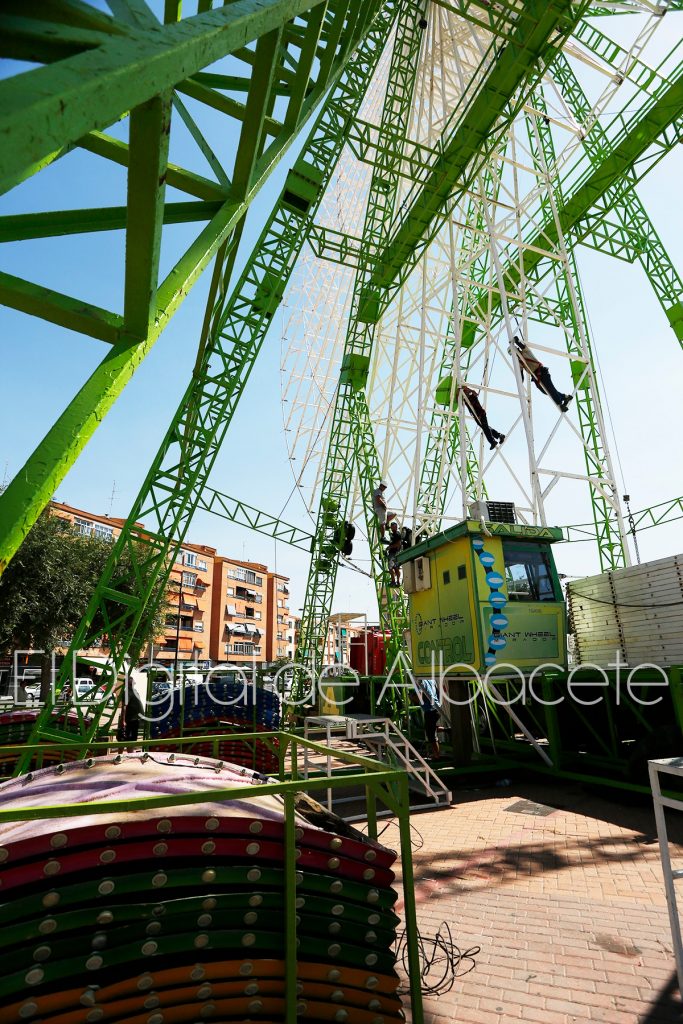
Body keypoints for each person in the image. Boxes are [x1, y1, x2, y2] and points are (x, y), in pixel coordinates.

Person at [511, 336, 572, 412]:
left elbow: (522, 346)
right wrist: (520, 380)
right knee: (546, 391)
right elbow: (521, 375)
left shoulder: (525, 352)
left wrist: (517, 341)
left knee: (550, 389)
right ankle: (565, 397)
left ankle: (560, 404)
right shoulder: (519, 362)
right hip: (536, 377)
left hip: (541, 372)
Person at [459, 384, 506, 451]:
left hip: (480, 414)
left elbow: (474, 393)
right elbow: (458, 398)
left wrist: (467, 389)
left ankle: (492, 441)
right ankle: (499, 435)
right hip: (477, 415)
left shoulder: (471, 396)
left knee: (485, 428)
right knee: (486, 427)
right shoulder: (466, 398)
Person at [415, 677, 441, 760]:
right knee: (432, 729)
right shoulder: (431, 679)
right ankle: (446, 729)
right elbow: (438, 692)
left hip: (430, 710)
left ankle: (436, 755)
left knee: (431, 735)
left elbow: (420, 698)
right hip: (437, 708)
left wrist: (412, 698)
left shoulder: (419, 682)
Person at [386, 520, 403, 586]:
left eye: (393, 527)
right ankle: (398, 582)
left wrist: (390, 547)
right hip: (395, 553)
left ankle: (393, 581)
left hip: (394, 553)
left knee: (390, 568)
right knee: (396, 568)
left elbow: (398, 544)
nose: (392, 528)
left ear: (396, 527)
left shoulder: (397, 534)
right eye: (392, 527)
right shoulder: (393, 534)